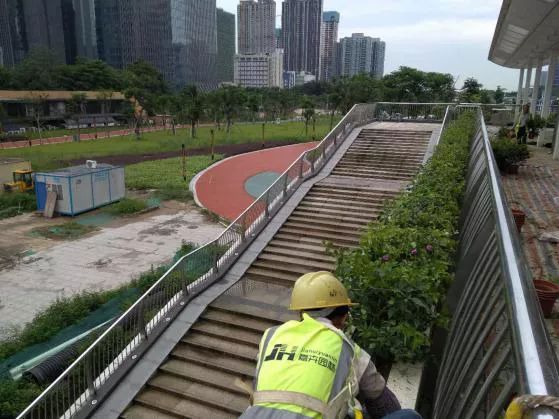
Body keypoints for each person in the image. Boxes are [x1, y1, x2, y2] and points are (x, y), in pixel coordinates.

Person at [239, 271, 421, 419]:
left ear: (300, 312)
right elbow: (383, 403)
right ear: (344, 317)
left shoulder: (272, 336)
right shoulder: (348, 349)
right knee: (409, 416)